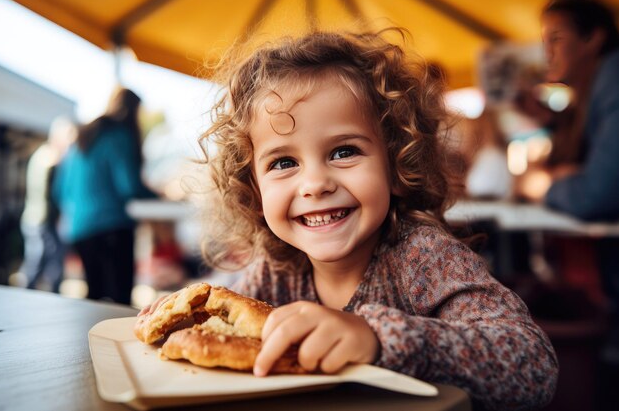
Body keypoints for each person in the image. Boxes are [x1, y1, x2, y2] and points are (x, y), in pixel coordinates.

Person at [140, 31, 558, 410]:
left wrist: (377, 338)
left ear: (396, 165)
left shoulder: (424, 258)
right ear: (254, 189)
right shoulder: (276, 271)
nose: (315, 183)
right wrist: (185, 316)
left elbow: (533, 366)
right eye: (284, 162)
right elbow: (226, 332)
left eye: (344, 152)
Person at [539, 0, 619, 366]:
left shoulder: (614, 81)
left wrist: (543, 186)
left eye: (555, 39)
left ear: (593, 39)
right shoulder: (590, 94)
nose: (547, 53)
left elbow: (595, 194)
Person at [53, 88, 156, 304]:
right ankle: (115, 339)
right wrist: (157, 194)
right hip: (111, 227)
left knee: (93, 298)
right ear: (133, 111)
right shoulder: (120, 135)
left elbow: (60, 190)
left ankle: (88, 338)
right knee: (119, 302)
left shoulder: (82, 137)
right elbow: (128, 186)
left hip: (80, 228)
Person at [19, 116, 76, 292]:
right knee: (48, 267)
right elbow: (53, 195)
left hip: (35, 219)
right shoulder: (51, 159)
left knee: (37, 264)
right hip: (42, 221)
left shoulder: (41, 154)